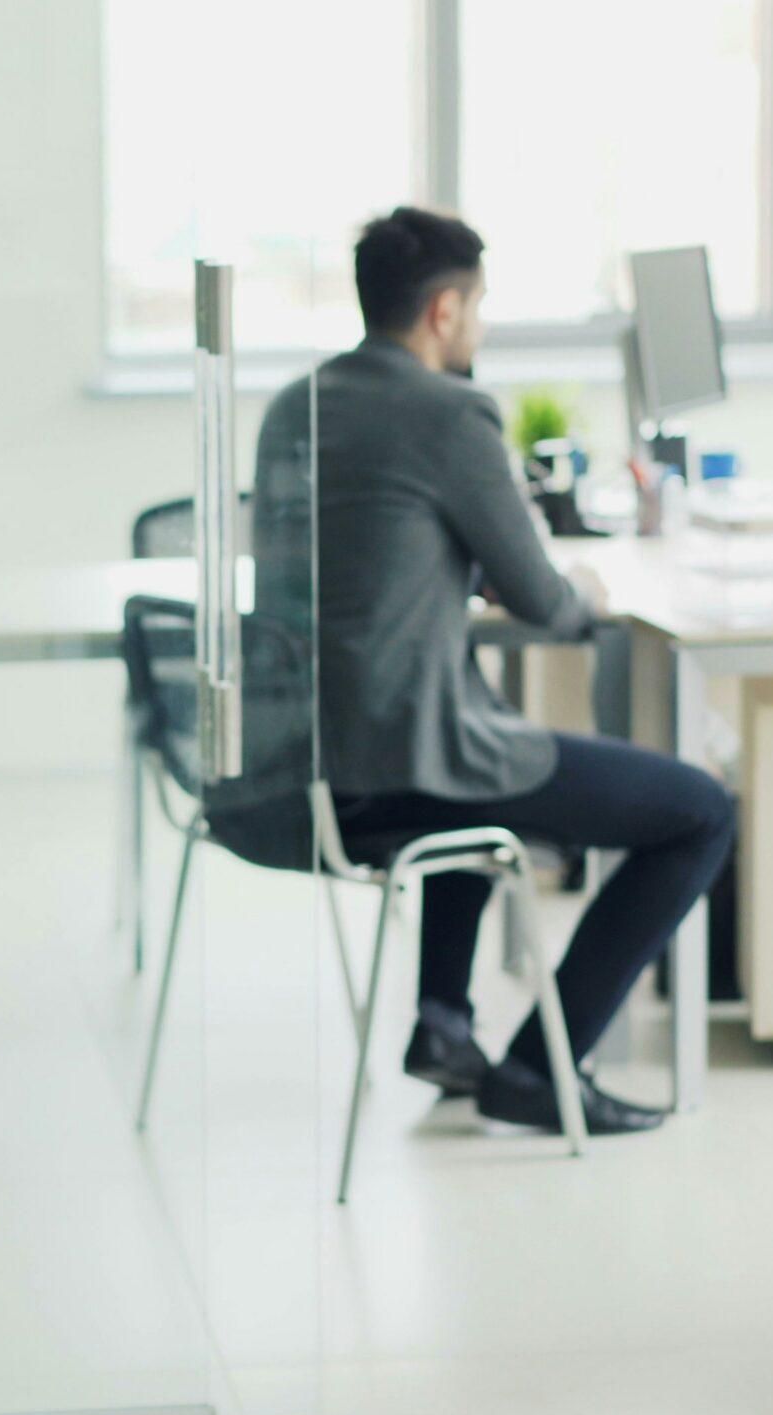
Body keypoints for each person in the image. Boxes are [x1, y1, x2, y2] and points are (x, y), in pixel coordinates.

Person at [254, 206, 734, 1135]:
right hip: (396, 769)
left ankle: (443, 1024)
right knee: (698, 811)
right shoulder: (448, 411)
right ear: (442, 313)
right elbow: (544, 603)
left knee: (473, 752)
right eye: (476, 310)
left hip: (299, 764)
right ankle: (539, 1072)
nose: (478, 329)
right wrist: (585, 585)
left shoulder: (296, 403)